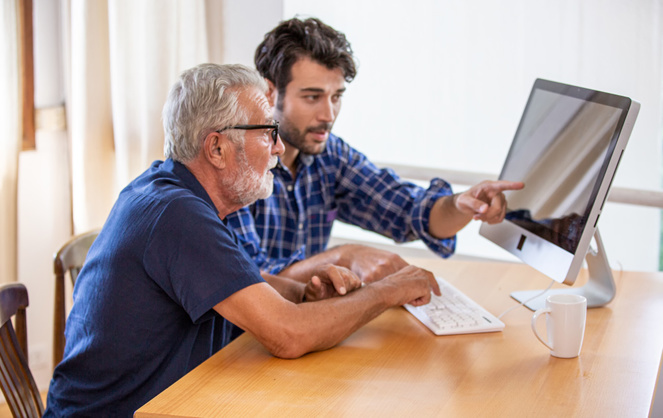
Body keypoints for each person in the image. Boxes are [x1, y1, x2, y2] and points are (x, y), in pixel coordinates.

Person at [44, 63, 439, 417]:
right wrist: (388, 291)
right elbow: (289, 335)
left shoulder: (176, 194)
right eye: (268, 132)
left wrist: (302, 293)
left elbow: (235, 284)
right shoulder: (177, 215)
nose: (279, 148)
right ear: (217, 147)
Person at [226, 17, 524, 284]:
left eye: (336, 96)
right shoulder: (235, 166)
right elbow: (252, 281)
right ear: (269, 92)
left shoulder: (329, 156)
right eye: (313, 97)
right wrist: (343, 257)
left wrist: (461, 204)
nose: (328, 114)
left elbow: (410, 212)